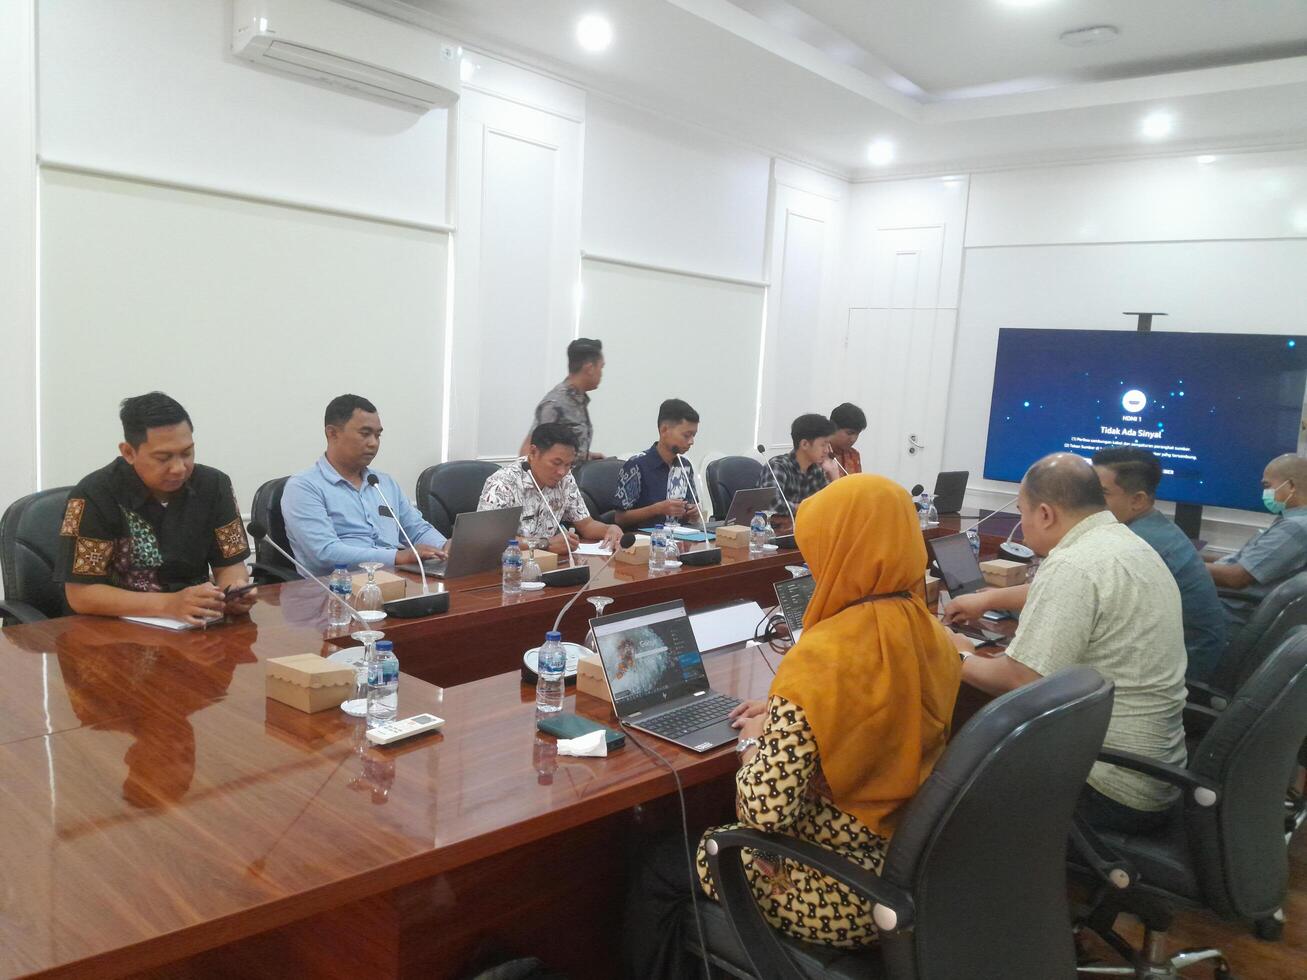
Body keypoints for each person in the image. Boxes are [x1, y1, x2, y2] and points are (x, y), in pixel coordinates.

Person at [624, 475, 961, 976]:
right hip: (908, 864)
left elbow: (762, 810)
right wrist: (790, 711)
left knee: (662, 865)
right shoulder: (932, 633)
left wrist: (755, 743)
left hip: (838, 889)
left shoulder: (823, 655)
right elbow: (876, 719)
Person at [946, 453, 1187, 834]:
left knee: (947, 774)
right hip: (1153, 772)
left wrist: (955, 653)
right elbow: (1067, 592)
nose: (1021, 530)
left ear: (1045, 513)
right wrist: (987, 601)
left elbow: (1021, 680)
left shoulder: (1075, 564)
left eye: (1023, 513)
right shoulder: (1120, 541)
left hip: (1108, 786)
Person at [55, 392, 256, 626]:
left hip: (194, 626)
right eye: (163, 458)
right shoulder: (93, 495)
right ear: (129, 452)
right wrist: (168, 605)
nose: (179, 468)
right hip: (111, 633)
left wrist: (234, 592)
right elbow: (81, 595)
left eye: (187, 453)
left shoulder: (214, 486)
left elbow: (230, 567)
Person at [1092, 448, 1227, 682]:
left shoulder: (1138, 544)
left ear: (1138, 500)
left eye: (1101, 493)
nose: (1088, 501)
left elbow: (1088, 605)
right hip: (1183, 650)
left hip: (1183, 665)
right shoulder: (1151, 525)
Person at [282, 394, 447, 576]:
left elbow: (416, 530)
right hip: (333, 591)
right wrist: (397, 557)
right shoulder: (304, 487)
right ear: (332, 433)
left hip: (393, 583)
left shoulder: (384, 483)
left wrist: (444, 547)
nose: (374, 443)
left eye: (378, 435)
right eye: (365, 434)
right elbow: (325, 553)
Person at [480, 422, 623, 555]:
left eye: (568, 465)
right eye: (556, 463)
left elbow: (586, 525)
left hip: (549, 564)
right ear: (533, 452)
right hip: (509, 568)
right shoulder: (502, 484)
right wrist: (545, 544)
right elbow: (491, 541)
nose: (562, 472)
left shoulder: (565, 479)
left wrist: (609, 529)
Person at [1206, 453, 1307, 629]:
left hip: (1229, 611)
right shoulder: (1290, 521)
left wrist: (1182, 565)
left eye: (1267, 486)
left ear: (1290, 486)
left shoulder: (1295, 528)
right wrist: (1191, 556)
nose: (1265, 493)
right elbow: (1242, 561)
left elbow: (1235, 578)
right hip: (1226, 603)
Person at [613, 398, 702, 531]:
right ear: (664, 430)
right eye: (686, 435)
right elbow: (620, 518)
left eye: (694, 435)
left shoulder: (685, 466)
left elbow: (691, 509)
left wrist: (693, 512)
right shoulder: (636, 465)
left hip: (680, 538)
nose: (691, 441)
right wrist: (657, 509)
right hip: (645, 541)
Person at [521, 337, 605, 461]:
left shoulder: (579, 401)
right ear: (590, 369)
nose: (601, 373)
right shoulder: (556, 404)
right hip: (557, 479)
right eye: (601, 367)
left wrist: (586, 456)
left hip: (573, 478)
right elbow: (530, 452)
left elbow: (563, 448)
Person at [757, 413, 835, 514]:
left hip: (803, 526)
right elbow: (772, 505)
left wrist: (834, 473)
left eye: (828, 445)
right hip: (774, 528)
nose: (827, 450)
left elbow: (828, 502)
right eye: (823, 445)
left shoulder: (816, 469)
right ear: (804, 444)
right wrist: (808, 507)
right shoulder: (778, 466)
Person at [827, 402, 866, 478]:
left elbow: (857, 486)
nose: (853, 439)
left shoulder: (854, 455)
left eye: (857, 434)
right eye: (849, 433)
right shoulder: (818, 454)